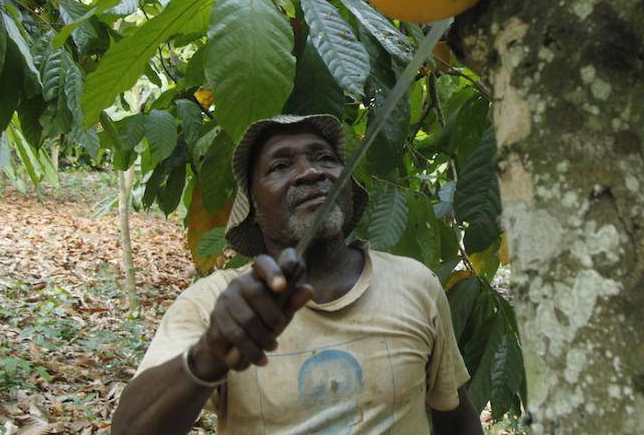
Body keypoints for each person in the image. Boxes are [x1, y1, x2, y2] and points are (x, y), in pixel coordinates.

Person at [112, 114, 482, 434]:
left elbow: (454, 416)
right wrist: (210, 352)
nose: (311, 172)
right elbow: (130, 429)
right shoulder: (213, 304)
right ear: (254, 209)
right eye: (279, 166)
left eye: (324, 158)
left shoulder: (414, 284)